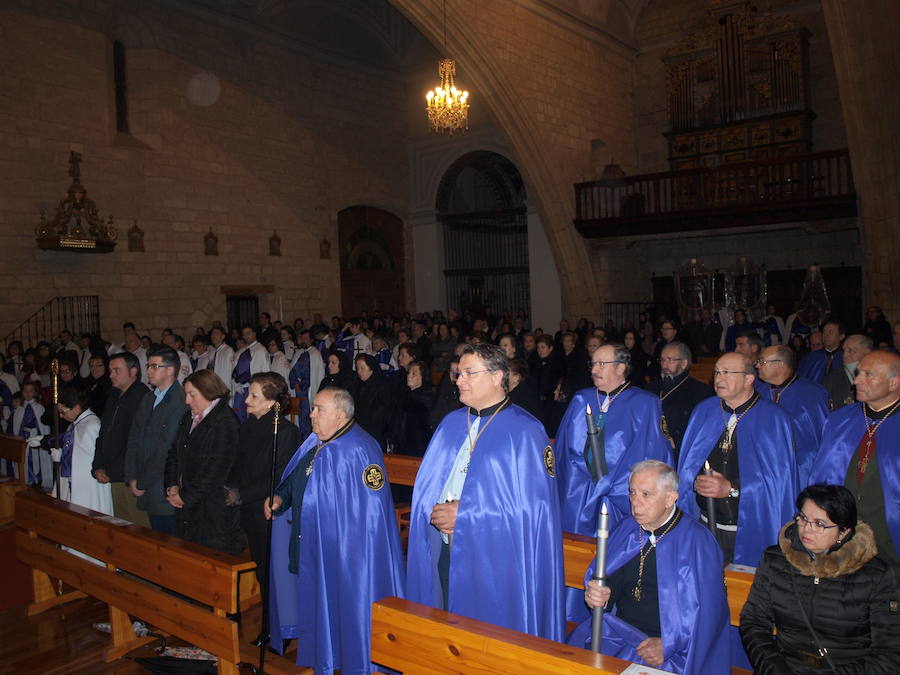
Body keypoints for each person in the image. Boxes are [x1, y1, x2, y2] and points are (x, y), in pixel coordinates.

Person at [406, 343, 564, 641]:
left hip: (497, 561)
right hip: (444, 547)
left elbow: (535, 511)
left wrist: (465, 515)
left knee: (486, 641)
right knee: (447, 631)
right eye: (458, 373)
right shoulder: (451, 424)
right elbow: (429, 484)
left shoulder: (526, 432)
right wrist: (433, 509)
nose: (458, 380)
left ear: (497, 376)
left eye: (468, 373)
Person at [266, 387, 405, 672]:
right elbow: (297, 481)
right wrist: (280, 498)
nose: (311, 414)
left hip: (343, 554)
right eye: (313, 408)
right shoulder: (317, 442)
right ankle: (324, 653)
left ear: (340, 416)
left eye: (319, 409)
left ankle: (349, 658)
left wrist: (347, 549)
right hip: (312, 542)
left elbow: (371, 514)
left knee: (345, 609)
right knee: (318, 605)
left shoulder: (360, 450)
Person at [569, 460, 730, 674]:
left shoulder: (698, 542)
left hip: (671, 650)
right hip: (617, 635)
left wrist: (668, 645)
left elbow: (710, 613)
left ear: (670, 498)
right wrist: (601, 595)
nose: (635, 503)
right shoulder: (628, 528)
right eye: (632, 493)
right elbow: (610, 581)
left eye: (646, 494)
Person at [740, 484, 900, 674]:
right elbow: (754, 622)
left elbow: (889, 653)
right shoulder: (775, 560)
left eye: (819, 524)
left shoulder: (876, 576)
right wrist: (774, 668)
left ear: (843, 532)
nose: (807, 529)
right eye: (803, 518)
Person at [677, 352, 798, 566]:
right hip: (703, 523)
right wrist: (694, 481)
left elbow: (779, 484)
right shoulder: (704, 411)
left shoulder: (774, 418)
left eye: (726, 372)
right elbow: (687, 465)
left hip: (747, 528)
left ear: (749, 379)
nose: (718, 378)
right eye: (716, 372)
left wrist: (731, 489)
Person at [555, 343, 672, 537]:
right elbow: (563, 452)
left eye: (601, 364)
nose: (593, 370)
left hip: (622, 497)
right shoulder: (581, 399)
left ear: (621, 367)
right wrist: (585, 482)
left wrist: (609, 485)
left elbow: (652, 454)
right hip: (579, 494)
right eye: (592, 364)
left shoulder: (644, 404)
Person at [809, 351, 900, 579]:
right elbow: (820, 475)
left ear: (894, 383)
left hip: (890, 539)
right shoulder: (839, 420)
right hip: (842, 534)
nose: (856, 380)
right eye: (858, 373)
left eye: (868, 375)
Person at [229, 372, 301, 600]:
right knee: (260, 566)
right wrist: (229, 487)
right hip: (247, 508)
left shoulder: (286, 433)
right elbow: (237, 462)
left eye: (253, 396)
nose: (246, 400)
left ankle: (277, 627)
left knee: (273, 572)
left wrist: (241, 494)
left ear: (271, 402)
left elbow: (279, 477)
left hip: (268, 510)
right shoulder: (250, 425)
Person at [164, 369, 242, 554]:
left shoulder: (225, 422)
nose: (187, 401)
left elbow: (216, 469)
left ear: (209, 392)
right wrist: (171, 486)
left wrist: (186, 496)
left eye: (192, 395)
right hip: (189, 505)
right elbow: (174, 454)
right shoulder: (188, 418)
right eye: (186, 394)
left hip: (211, 511)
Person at [125, 344, 187, 535]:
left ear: (170, 370)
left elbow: (166, 449)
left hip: (163, 487)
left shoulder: (180, 401)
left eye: (154, 366)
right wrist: (132, 476)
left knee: (170, 542)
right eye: (148, 366)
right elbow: (134, 438)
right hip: (145, 483)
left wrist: (142, 481)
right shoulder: (148, 398)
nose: (149, 371)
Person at [754, 345, 829, 486]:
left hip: (801, 470)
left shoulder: (813, 394)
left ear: (780, 365)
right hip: (762, 469)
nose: (757, 365)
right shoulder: (756, 393)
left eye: (762, 361)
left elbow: (822, 436)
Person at [92, 352, 150, 525]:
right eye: (110, 370)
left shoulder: (142, 397)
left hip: (130, 476)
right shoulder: (113, 396)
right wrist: (98, 465)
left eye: (117, 370)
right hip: (112, 473)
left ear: (133, 372)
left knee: (138, 525)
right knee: (121, 523)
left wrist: (112, 470)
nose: (111, 375)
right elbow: (103, 434)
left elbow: (136, 441)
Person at [646, 342, 714, 463]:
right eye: (662, 360)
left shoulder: (701, 392)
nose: (664, 365)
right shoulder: (650, 389)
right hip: (649, 448)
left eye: (670, 360)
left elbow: (703, 429)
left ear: (684, 363)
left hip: (680, 452)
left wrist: (677, 442)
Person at [52, 384, 112, 515]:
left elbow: (95, 458)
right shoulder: (75, 425)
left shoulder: (92, 425)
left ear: (77, 408)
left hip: (88, 486)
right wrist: (61, 455)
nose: (61, 416)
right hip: (73, 483)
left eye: (63, 411)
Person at [823, 334, 873, 410]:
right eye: (844, 350)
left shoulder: (879, 378)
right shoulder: (831, 379)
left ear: (867, 353)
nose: (845, 355)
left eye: (850, 350)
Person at [353, 353, 392, 450]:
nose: (359, 371)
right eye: (357, 368)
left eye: (362, 368)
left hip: (375, 433)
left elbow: (384, 411)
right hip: (359, 431)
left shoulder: (382, 385)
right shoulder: (358, 384)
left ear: (371, 368)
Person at [231, 325, 268, 422]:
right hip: (242, 388)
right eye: (244, 334)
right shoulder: (243, 351)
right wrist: (237, 382)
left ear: (254, 333)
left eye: (248, 333)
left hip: (254, 388)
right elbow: (237, 369)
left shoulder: (260, 350)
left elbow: (265, 371)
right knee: (237, 415)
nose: (246, 336)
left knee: (253, 416)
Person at [399, 360, 433, 456]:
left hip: (419, 449)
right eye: (409, 373)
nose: (409, 376)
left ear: (422, 377)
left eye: (414, 373)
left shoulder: (426, 399)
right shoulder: (405, 396)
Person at [207, 326, 235, 395]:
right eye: (212, 334)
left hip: (223, 389)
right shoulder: (212, 351)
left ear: (223, 336)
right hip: (213, 387)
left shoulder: (228, 351)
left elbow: (228, 373)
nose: (214, 336)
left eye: (217, 334)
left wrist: (225, 391)